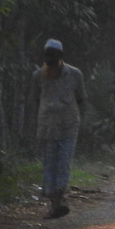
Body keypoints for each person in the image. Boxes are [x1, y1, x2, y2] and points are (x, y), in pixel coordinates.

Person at [27, 39, 87, 219]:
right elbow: (34, 100)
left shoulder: (75, 74)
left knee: (63, 163)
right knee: (50, 164)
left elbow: (82, 99)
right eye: (47, 54)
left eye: (53, 54)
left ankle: (58, 201)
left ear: (60, 56)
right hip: (47, 126)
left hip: (69, 125)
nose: (49, 58)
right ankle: (54, 203)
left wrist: (80, 121)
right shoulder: (38, 75)